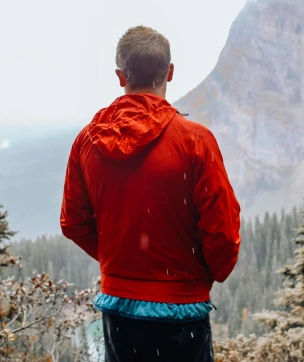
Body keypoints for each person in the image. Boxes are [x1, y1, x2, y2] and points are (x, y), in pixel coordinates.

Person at [61, 26, 241, 362]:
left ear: (120, 77)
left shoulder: (87, 142)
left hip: (119, 311)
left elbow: (74, 223)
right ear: (169, 72)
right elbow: (223, 231)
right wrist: (201, 275)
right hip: (183, 311)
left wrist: (120, 261)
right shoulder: (195, 141)